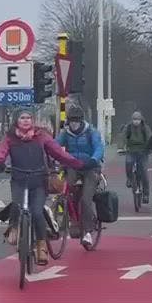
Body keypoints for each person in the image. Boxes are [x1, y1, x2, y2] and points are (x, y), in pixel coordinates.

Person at [0, 110, 94, 262]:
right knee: (16, 205)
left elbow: (58, 153)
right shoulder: (10, 138)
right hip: (19, 180)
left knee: (37, 212)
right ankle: (13, 229)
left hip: (38, 181)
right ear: (17, 121)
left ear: (33, 120)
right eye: (22, 118)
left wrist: (78, 164)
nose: (26, 121)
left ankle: (41, 247)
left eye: (29, 118)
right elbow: (2, 152)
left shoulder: (41, 136)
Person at [55, 105, 105, 249]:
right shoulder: (65, 133)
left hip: (90, 167)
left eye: (77, 121)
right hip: (73, 165)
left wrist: (94, 160)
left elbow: (99, 147)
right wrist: (51, 159)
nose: (74, 123)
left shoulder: (91, 132)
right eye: (71, 121)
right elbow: (55, 146)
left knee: (85, 199)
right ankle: (72, 221)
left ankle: (88, 231)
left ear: (82, 120)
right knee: (65, 191)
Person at [123, 111, 152, 198]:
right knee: (128, 163)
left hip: (143, 151)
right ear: (132, 120)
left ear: (141, 120)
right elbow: (123, 137)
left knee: (144, 173)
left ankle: (146, 194)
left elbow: (150, 137)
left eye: (138, 119)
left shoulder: (145, 128)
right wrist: (121, 147)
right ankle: (129, 179)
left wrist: (149, 147)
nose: (136, 121)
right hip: (131, 150)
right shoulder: (128, 127)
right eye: (134, 119)